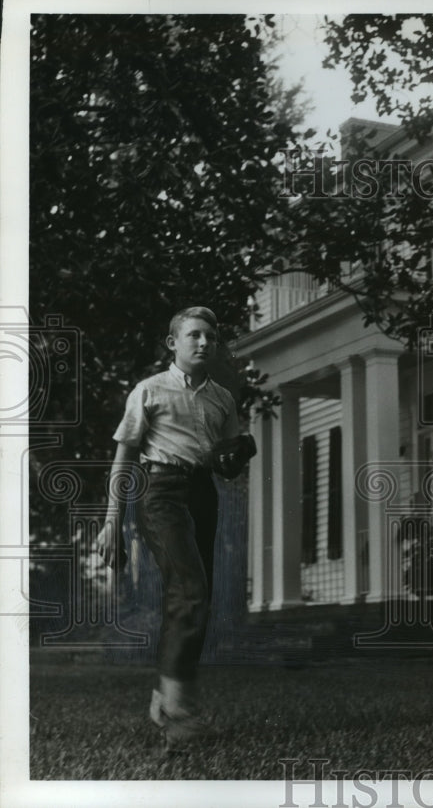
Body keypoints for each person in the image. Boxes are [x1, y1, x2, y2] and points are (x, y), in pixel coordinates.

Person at [96, 306, 253, 743]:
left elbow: (227, 465)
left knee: (191, 599)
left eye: (212, 337)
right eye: (195, 335)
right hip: (159, 492)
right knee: (190, 589)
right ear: (174, 343)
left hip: (203, 494)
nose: (205, 343)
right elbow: (123, 459)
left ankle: (163, 697)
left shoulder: (223, 399)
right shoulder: (149, 391)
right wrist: (113, 522)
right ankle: (181, 712)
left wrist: (236, 455)